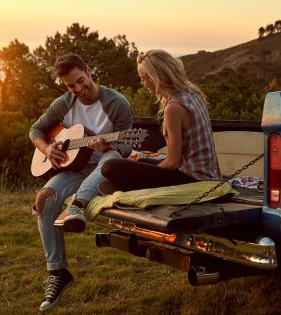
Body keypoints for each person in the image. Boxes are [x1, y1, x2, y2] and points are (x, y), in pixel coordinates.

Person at [29, 53, 133, 312]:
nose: (78, 89)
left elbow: (127, 145)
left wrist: (108, 143)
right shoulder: (64, 103)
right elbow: (36, 130)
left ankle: (77, 205)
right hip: (76, 166)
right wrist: (46, 150)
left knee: (108, 158)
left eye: (80, 81)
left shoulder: (116, 102)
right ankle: (57, 272)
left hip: (106, 165)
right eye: (70, 86)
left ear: (88, 70)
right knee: (44, 199)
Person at [101, 49, 221, 191]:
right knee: (142, 161)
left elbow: (173, 162)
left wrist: (148, 173)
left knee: (110, 167)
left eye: (144, 78)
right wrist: (148, 170)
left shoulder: (173, 108)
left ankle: (132, 190)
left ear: (156, 77)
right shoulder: (192, 93)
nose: (142, 83)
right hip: (207, 172)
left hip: (193, 179)